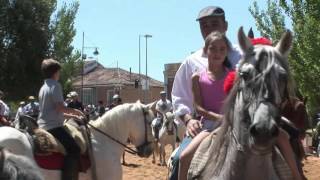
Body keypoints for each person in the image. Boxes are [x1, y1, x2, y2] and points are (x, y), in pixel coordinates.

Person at [170, 6, 241, 180]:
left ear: (225, 25)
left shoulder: (243, 55)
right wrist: (188, 120)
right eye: (204, 25)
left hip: (241, 125)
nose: (208, 28)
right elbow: (180, 97)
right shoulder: (191, 62)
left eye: (214, 23)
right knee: (180, 158)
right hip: (205, 126)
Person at [178, 31, 232, 180]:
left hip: (231, 124)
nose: (218, 53)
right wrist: (218, 117)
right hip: (208, 126)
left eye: (222, 49)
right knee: (184, 157)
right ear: (205, 51)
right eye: (213, 48)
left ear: (227, 52)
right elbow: (199, 107)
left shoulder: (233, 75)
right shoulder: (197, 77)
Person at [38, 58, 85, 180]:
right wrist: (77, 111)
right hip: (53, 127)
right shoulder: (56, 85)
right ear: (55, 72)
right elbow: (60, 108)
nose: (59, 75)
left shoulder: (43, 87)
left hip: (43, 125)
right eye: (59, 72)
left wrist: (74, 116)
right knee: (75, 149)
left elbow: (54, 111)